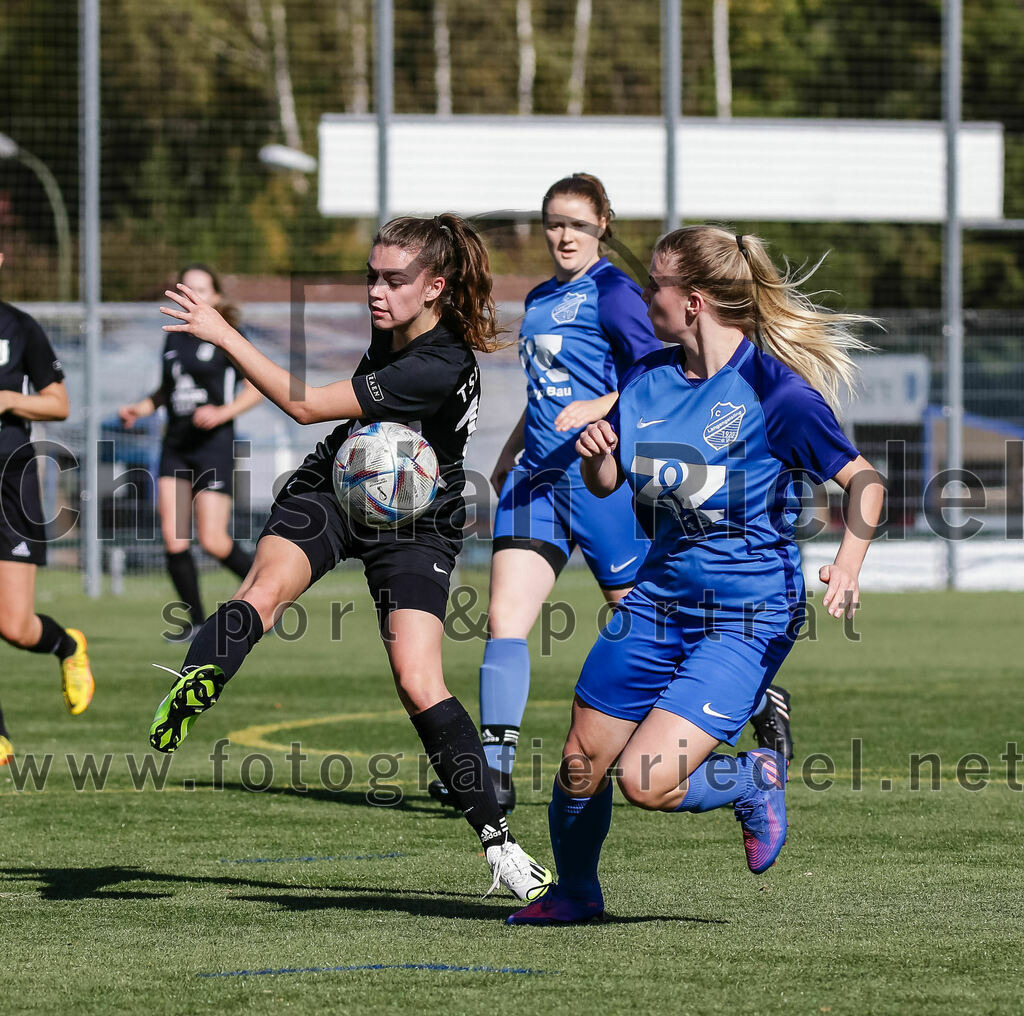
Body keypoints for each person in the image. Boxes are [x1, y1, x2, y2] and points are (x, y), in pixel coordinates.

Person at [146, 215, 553, 900]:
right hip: (339, 482)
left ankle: (498, 841)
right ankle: (198, 676)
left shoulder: (440, 362)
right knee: (263, 589)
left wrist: (224, 333)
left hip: (418, 520)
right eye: (371, 275)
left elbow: (304, 404)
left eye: (394, 280)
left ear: (435, 287)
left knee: (418, 678)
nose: (376, 290)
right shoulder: (399, 324)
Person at [508, 226, 884, 924]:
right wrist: (596, 450)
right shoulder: (647, 377)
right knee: (582, 761)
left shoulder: (776, 393)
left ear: (696, 302)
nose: (644, 293)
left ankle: (750, 778)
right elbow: (606, 480)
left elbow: (863, 482)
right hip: (659, 601)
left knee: (645, 781)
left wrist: (849, 565)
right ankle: (575, 895)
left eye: (656, 283)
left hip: (747, 617)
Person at [428, 173, 793, 814]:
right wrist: (511, 453)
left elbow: (655, 380)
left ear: (603, 226)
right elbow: (547, 394)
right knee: (504, 622)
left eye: (577, 223)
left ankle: (755, 696)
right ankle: (494, 769)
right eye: (552, 222)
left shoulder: (619, 293)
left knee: (649, 617)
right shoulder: (539, 298)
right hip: (537, 480)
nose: (563, 234)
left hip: (601, 483)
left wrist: (600, 415)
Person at [119, 264, 263, 641]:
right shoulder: (173, 338)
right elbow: (167, 392)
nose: (193, 297)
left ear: (215, 297)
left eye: (201, 290)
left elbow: (256, 388)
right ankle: (196, 622)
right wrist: (141, 408)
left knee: (213, 540)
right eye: (187, 289)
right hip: (176, 446)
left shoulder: (228, 335)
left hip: (213, 446)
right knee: (173, 537)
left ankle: (269, 601)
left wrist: (222, 412)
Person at [0, 251, 94, 765]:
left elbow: (58, 403)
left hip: (9, 483)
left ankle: (66, 645)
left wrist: (8, 400)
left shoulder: (19, 327)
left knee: (14, 624)